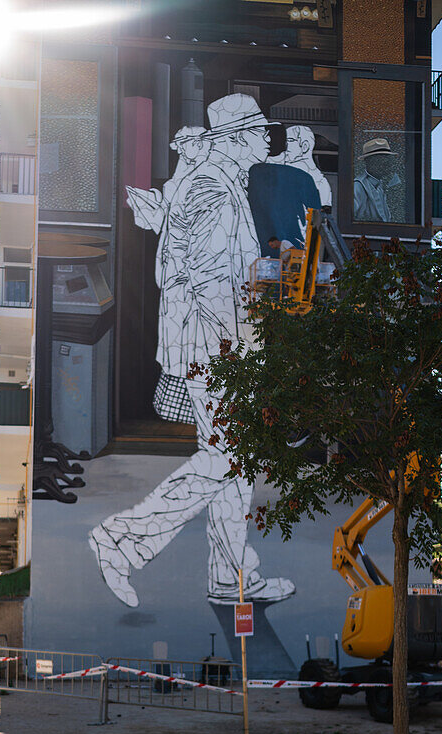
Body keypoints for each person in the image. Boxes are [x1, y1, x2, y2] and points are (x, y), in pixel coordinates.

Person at [89, 94, 296, 608]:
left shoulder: (219, 183)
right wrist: (241, 351)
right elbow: (206, 283)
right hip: (215, 345)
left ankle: (228, 580)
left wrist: (268, 274)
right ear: (235, 139)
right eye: (256, 130)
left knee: (232, 461)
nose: (265, 138)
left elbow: (218, 271)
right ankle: (122, 538)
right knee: (229, 458)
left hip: (215, 341)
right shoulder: (212, 189)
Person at [353, 138, 399, 223]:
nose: (384, 163)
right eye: (379, 158)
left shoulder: (381, 186)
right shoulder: (357, 186)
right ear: (368, 161)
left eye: (386, 158)